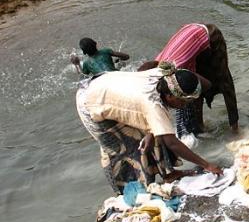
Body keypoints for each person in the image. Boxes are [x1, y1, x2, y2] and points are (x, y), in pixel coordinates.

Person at [75, 61, 223, 193]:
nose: (184, 106)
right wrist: (207, 165)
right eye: (182, 102)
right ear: (169, 96)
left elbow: (206, 84)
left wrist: (150, 132)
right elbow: (172, 143)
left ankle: (169, 174)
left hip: (107, 84)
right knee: (125, 150)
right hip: (90, 102)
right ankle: (131, 189)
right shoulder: (152, 105)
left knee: (157, 132)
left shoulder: (166, 75)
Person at [139, 23, 239, 136]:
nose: (181, 105)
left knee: (222, 81)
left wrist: (235, 132)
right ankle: (200, 125)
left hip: (208, 35)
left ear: (169, 95)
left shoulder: (173, 71)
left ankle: (235, 128)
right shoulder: (156, 75)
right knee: (191, 89)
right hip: (189, 36)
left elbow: (210, 85)